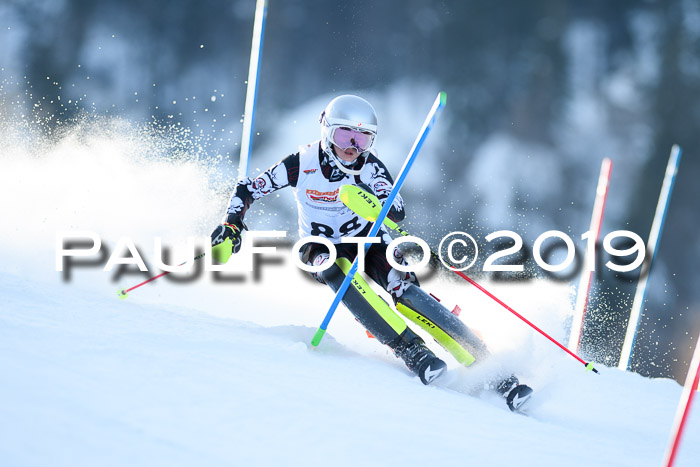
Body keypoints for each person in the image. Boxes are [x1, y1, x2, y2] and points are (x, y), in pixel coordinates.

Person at [210, 95, 532, 411]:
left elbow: (398, 211)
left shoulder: (370, 167)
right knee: (331, 266)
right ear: (326, 132)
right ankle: (410, 350)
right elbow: (247, 188)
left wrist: (377, 203)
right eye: (345, 135)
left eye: (363, 138)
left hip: (367, 239)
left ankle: (493, 369)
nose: (352, 147)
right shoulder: (301, 163)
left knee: (404, 290)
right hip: (319, 246)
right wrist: (232, 224)